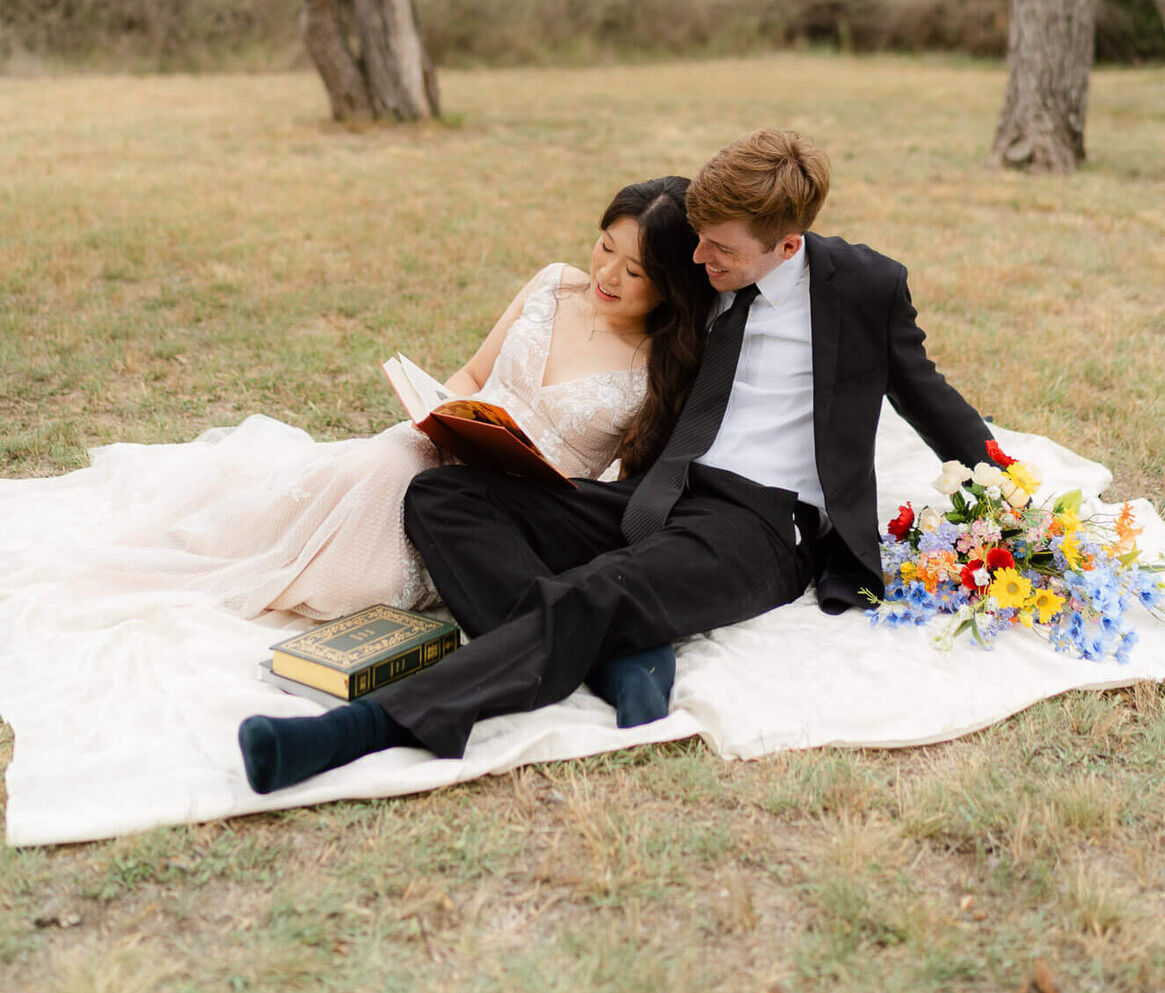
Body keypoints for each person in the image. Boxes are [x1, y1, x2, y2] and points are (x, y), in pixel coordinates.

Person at [239, 127, 998, 795]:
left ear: (786, 246)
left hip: (763, 524)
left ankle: (360, 730)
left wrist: (1005, 482)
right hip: (660, 494)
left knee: (599, 589)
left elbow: (929, 396)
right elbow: (635, 266)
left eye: (720, 249)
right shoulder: (705, 269)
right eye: (697, 239)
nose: (698, 260)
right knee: (445, 498)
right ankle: (616, 660)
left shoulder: (865, 287)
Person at [0, 177, 711, 631]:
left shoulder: (659, 365)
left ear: (671, 284)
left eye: (636, 268)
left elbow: (615, 489)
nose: (607, 274)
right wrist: (435, 409)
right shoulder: (553, 284)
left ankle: (328, 566)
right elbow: (470, 372)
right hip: (450, 438)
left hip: (516, 496)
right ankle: (258, 549)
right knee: (371, 465)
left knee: (361, 573)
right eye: (604, 247)